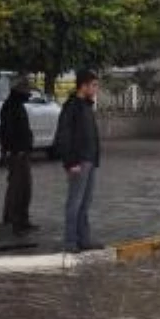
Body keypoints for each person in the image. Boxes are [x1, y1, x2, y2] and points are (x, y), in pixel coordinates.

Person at [53, 70, 102, 253]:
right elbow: (64, 136)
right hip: (78, 161)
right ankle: (70, 242)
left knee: (85, 202)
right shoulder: (72, 106)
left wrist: (95, 157)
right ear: (84, 86)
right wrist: (70, 162)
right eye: (94, 85)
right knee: (74, 202)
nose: (96, 89)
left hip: (89, 160)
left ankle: (84, 240)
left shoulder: (87, 106)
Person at [0, 76, 35, 235]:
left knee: (24, 188)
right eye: (27, 91)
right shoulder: (10, 107)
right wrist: (15, 150)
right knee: (17, 189)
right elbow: (8, 132)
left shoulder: (17, 105)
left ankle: (21, 219)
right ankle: (15, 222)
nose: (29, 94)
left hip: (22, 152)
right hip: (17, 153)